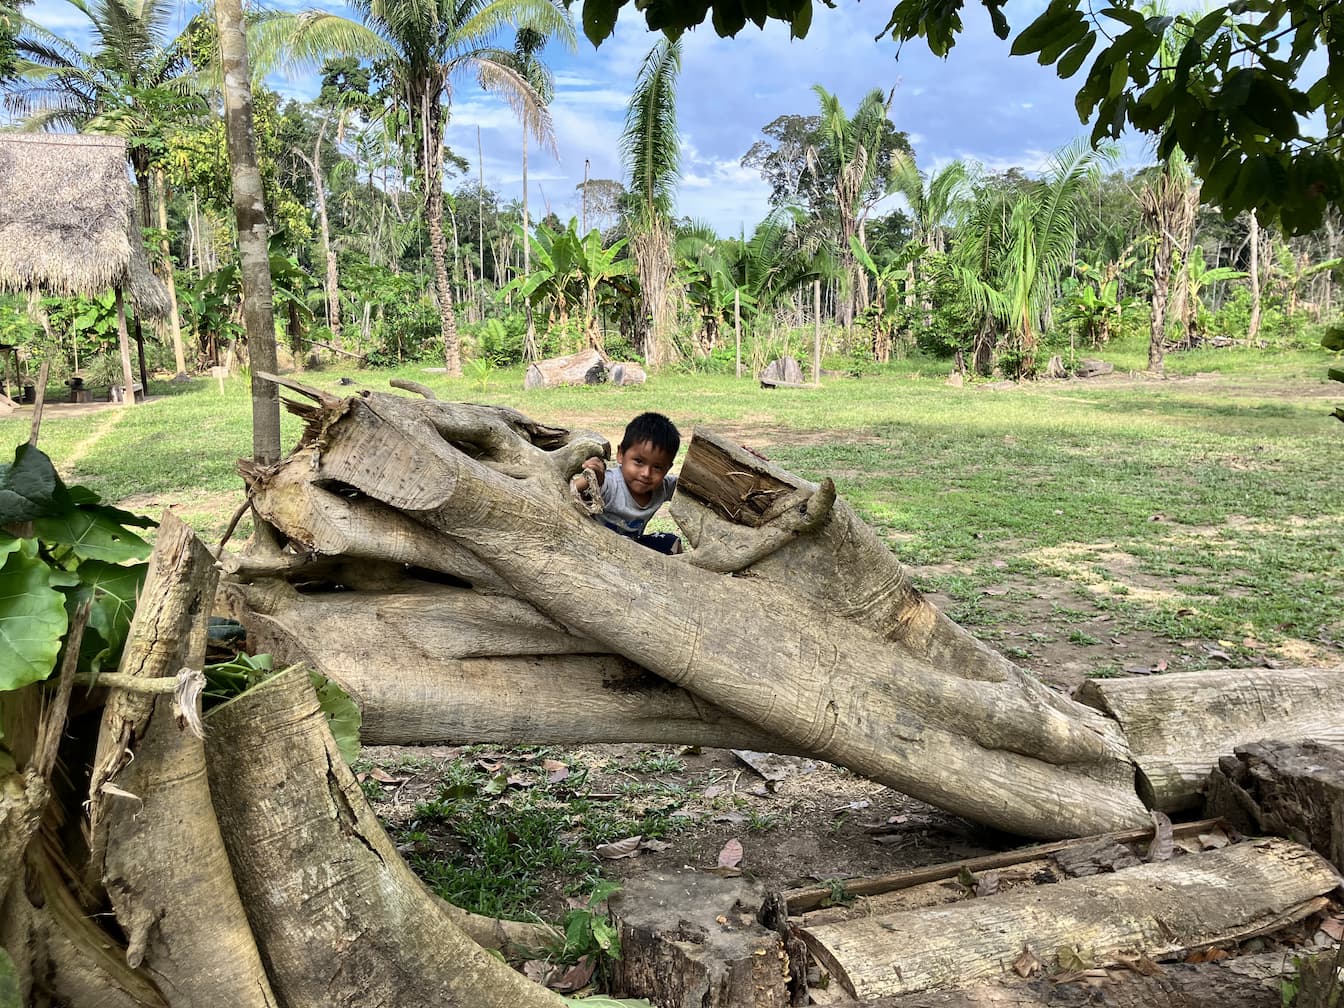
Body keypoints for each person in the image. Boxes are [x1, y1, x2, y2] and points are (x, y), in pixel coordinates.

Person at [579, 412, 683, 554]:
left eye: (657, 467)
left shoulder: (663, 487)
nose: (646, 473)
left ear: (667, 469)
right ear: (621, 454)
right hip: (595, 548)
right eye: (639, 461)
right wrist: (591, 476)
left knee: (671, 542)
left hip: (632, 549)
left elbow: (691, 488)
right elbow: (570, 490)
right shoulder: (610, 483)